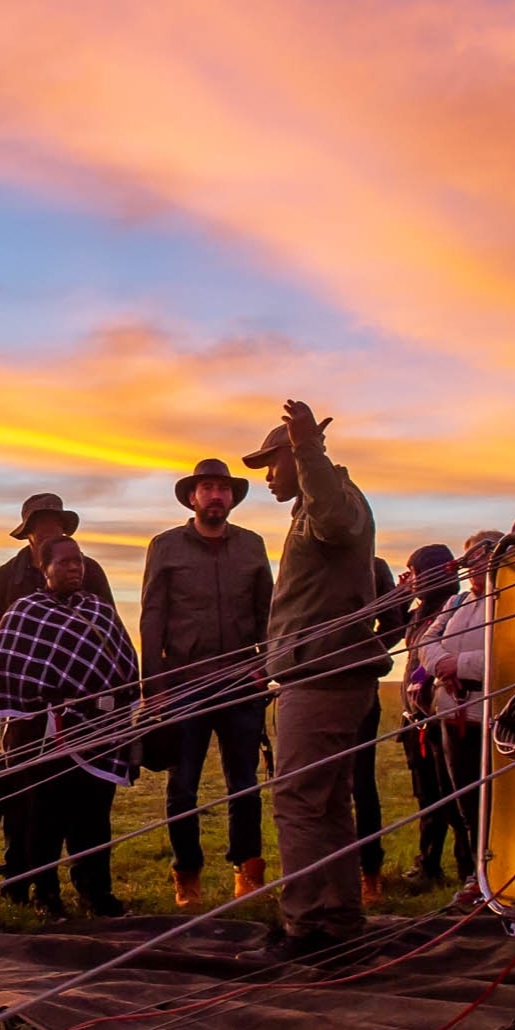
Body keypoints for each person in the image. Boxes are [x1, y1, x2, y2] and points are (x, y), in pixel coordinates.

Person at [239, 401, 390, 961]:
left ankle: (305, 929)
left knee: (299, 802)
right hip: (317, 673)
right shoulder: (313, 506)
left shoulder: (332, 500)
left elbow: (334, 522)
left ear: (294, 454)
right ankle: (339, 922)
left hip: (323, 678)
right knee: (327, 806)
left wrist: (308, 448)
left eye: (271, 463)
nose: (267, 476)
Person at [140, 458, 272, 908]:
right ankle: (187, 873)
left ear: (231, 498)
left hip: (241, 681)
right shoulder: (165, 547)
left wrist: (266, 666)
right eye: (208, 488)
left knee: (245, 782)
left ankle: (247, 870)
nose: (216, 496)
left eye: (223, 489)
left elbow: (267, 611)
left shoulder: (252, 546)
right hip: (183, 683)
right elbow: (152, 616)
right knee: (182, 786)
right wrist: (154, 686)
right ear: (193, 497)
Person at [0, 536, 136, 919]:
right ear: (45, 568)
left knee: (94, 815)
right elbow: (7, 666)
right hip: (44, 735)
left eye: (78, 561)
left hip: (96, 730)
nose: (74, 568)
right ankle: (45, 892)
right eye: (65, 562)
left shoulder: (99, 611)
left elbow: (123, 664)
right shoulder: (25, 614)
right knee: (44, 816)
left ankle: (95, 890)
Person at [418, 530, 502, 895]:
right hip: (451, 713)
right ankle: (472, 874)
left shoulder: (513, 600)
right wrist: (442, 665)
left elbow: (511, 649)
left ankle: (493, 876)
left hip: (490, 714)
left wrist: (461, 664)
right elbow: (427, 641)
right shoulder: (456, 602)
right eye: (471, 559)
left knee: (491, 802)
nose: (475, 565)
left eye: (483, 557)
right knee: (461, 800)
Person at [400, 543, 470, 890]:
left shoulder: (456, 610)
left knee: (453, 796)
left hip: (441, 717)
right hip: (414, 719)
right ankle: (428, 864)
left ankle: (467, 869)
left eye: (416, 574)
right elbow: (389, 631)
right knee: (426, 795)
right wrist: (400, 598)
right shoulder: (418, 614)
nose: (412, 580)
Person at [351, 554, 411, 907]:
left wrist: (363, 655)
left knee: (361, 783)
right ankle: (320, 871)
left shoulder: (373, 567)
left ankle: (369, 872)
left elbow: (393, 624)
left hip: (359, 688)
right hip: (309, 689)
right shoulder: (303, 563)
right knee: (311, 786)